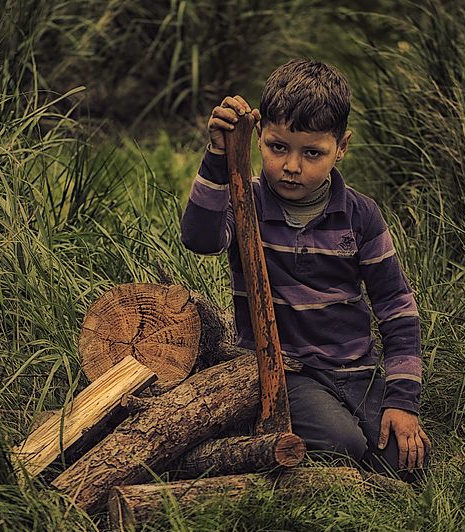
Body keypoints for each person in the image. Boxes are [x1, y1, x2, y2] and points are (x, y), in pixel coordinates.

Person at [180, 58, 430, 481]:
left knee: (406, 462)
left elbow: (396, 307)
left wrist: (402, 400)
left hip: (356, 370)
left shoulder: (359, 215)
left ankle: (360, 444)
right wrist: (219, 157)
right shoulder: (248, 202)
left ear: (342, 147)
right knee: (343, 445)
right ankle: (267, 431)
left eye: (312, 153)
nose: (292, 166)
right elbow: (200, 239)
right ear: (260, 137)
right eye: (279, 147)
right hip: (285, 372)